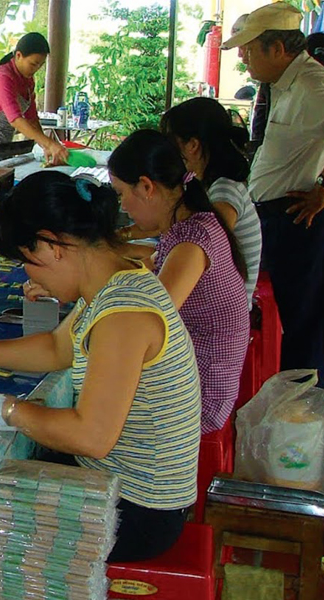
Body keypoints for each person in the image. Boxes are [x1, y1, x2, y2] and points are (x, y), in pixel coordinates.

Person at [0, 170, 200, 562]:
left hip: (138, 510)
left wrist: (1, 407)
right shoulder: (116, 281)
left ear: (52, 246)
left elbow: (91, 437)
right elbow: (55, 348)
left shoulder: (123, 315)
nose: (27, 273)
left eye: (25, 260)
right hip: (116, 480)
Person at [108, 130, 250, 434]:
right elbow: (153, 265)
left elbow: (153, 318)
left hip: (201, 396)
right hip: (193, 377)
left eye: (121, 194)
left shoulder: (192, 241)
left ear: (146, 187)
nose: (123, 207)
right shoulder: (193, 224)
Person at [223, 3, 324, 374]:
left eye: (249, 50)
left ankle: (304, 413)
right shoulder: (284, 83)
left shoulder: (314, 86)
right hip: (272, 216)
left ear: (277, 49)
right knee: (290, 322)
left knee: (305, 327)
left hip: (298, 220)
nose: (242, 58)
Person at [159, 97, 263, 297]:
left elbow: (204, 243)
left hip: (222, 315)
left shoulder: (224, 191)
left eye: (172, 141)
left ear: (192, 145)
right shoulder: (207, 184)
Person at [0, 32, 69, 166]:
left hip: (4, 144)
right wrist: (49, 144)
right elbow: (15, 119)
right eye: (33, 64)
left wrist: (45, 146)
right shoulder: (2, 76)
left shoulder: (28, 80)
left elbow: (32, 118)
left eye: (40, 65)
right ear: (18, 55)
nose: (36, 69)